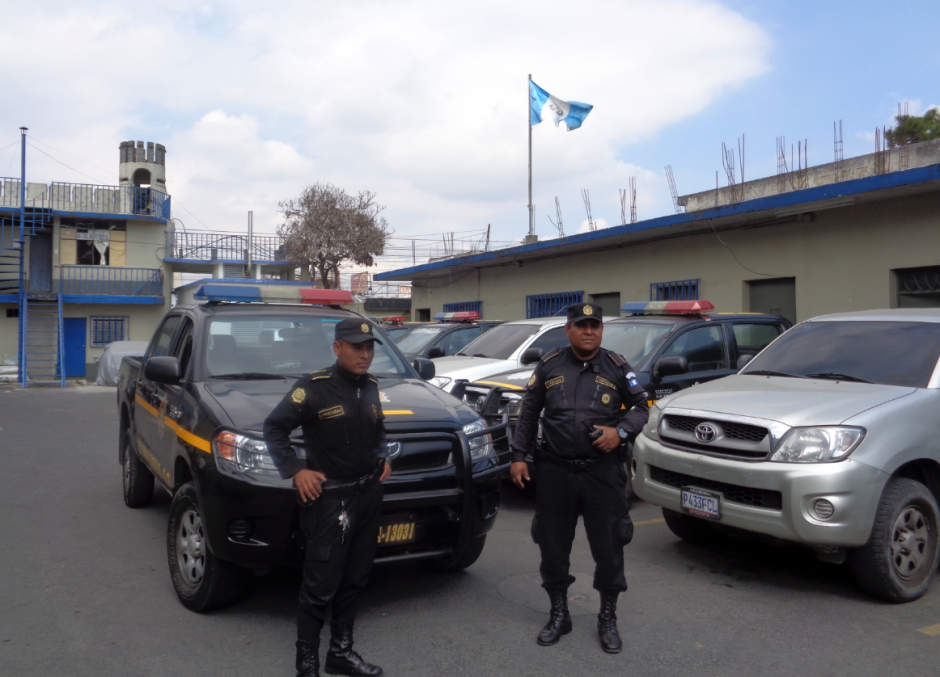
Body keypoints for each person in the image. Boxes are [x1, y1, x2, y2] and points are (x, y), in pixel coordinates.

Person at [509, 302, 649, 654]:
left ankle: (607, 617)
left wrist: (621, 433)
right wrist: (518, 456)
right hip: (555, 470)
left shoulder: (616, 366)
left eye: (595, 325)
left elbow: (641, 407)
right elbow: (529, 411)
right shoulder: (549, 365)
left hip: (602, 473)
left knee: (610, 546)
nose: (589, 331)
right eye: (581, 325)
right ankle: (559, 614)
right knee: (553, 546)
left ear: (602, 330)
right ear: (568, 329)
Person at [264, 318, 393, 677]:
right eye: (356, 347)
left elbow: (377, 427)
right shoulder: (314, 388)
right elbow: (274, 427)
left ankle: (341, 653)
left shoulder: (371, 386)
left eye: (369, 348)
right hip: (331, 502)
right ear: (337, 348)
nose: (364, 355)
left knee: (355, 579)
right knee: (320, 585)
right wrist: (295, 469)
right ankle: (306, 665)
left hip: (368, 495)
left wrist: (383, 457)